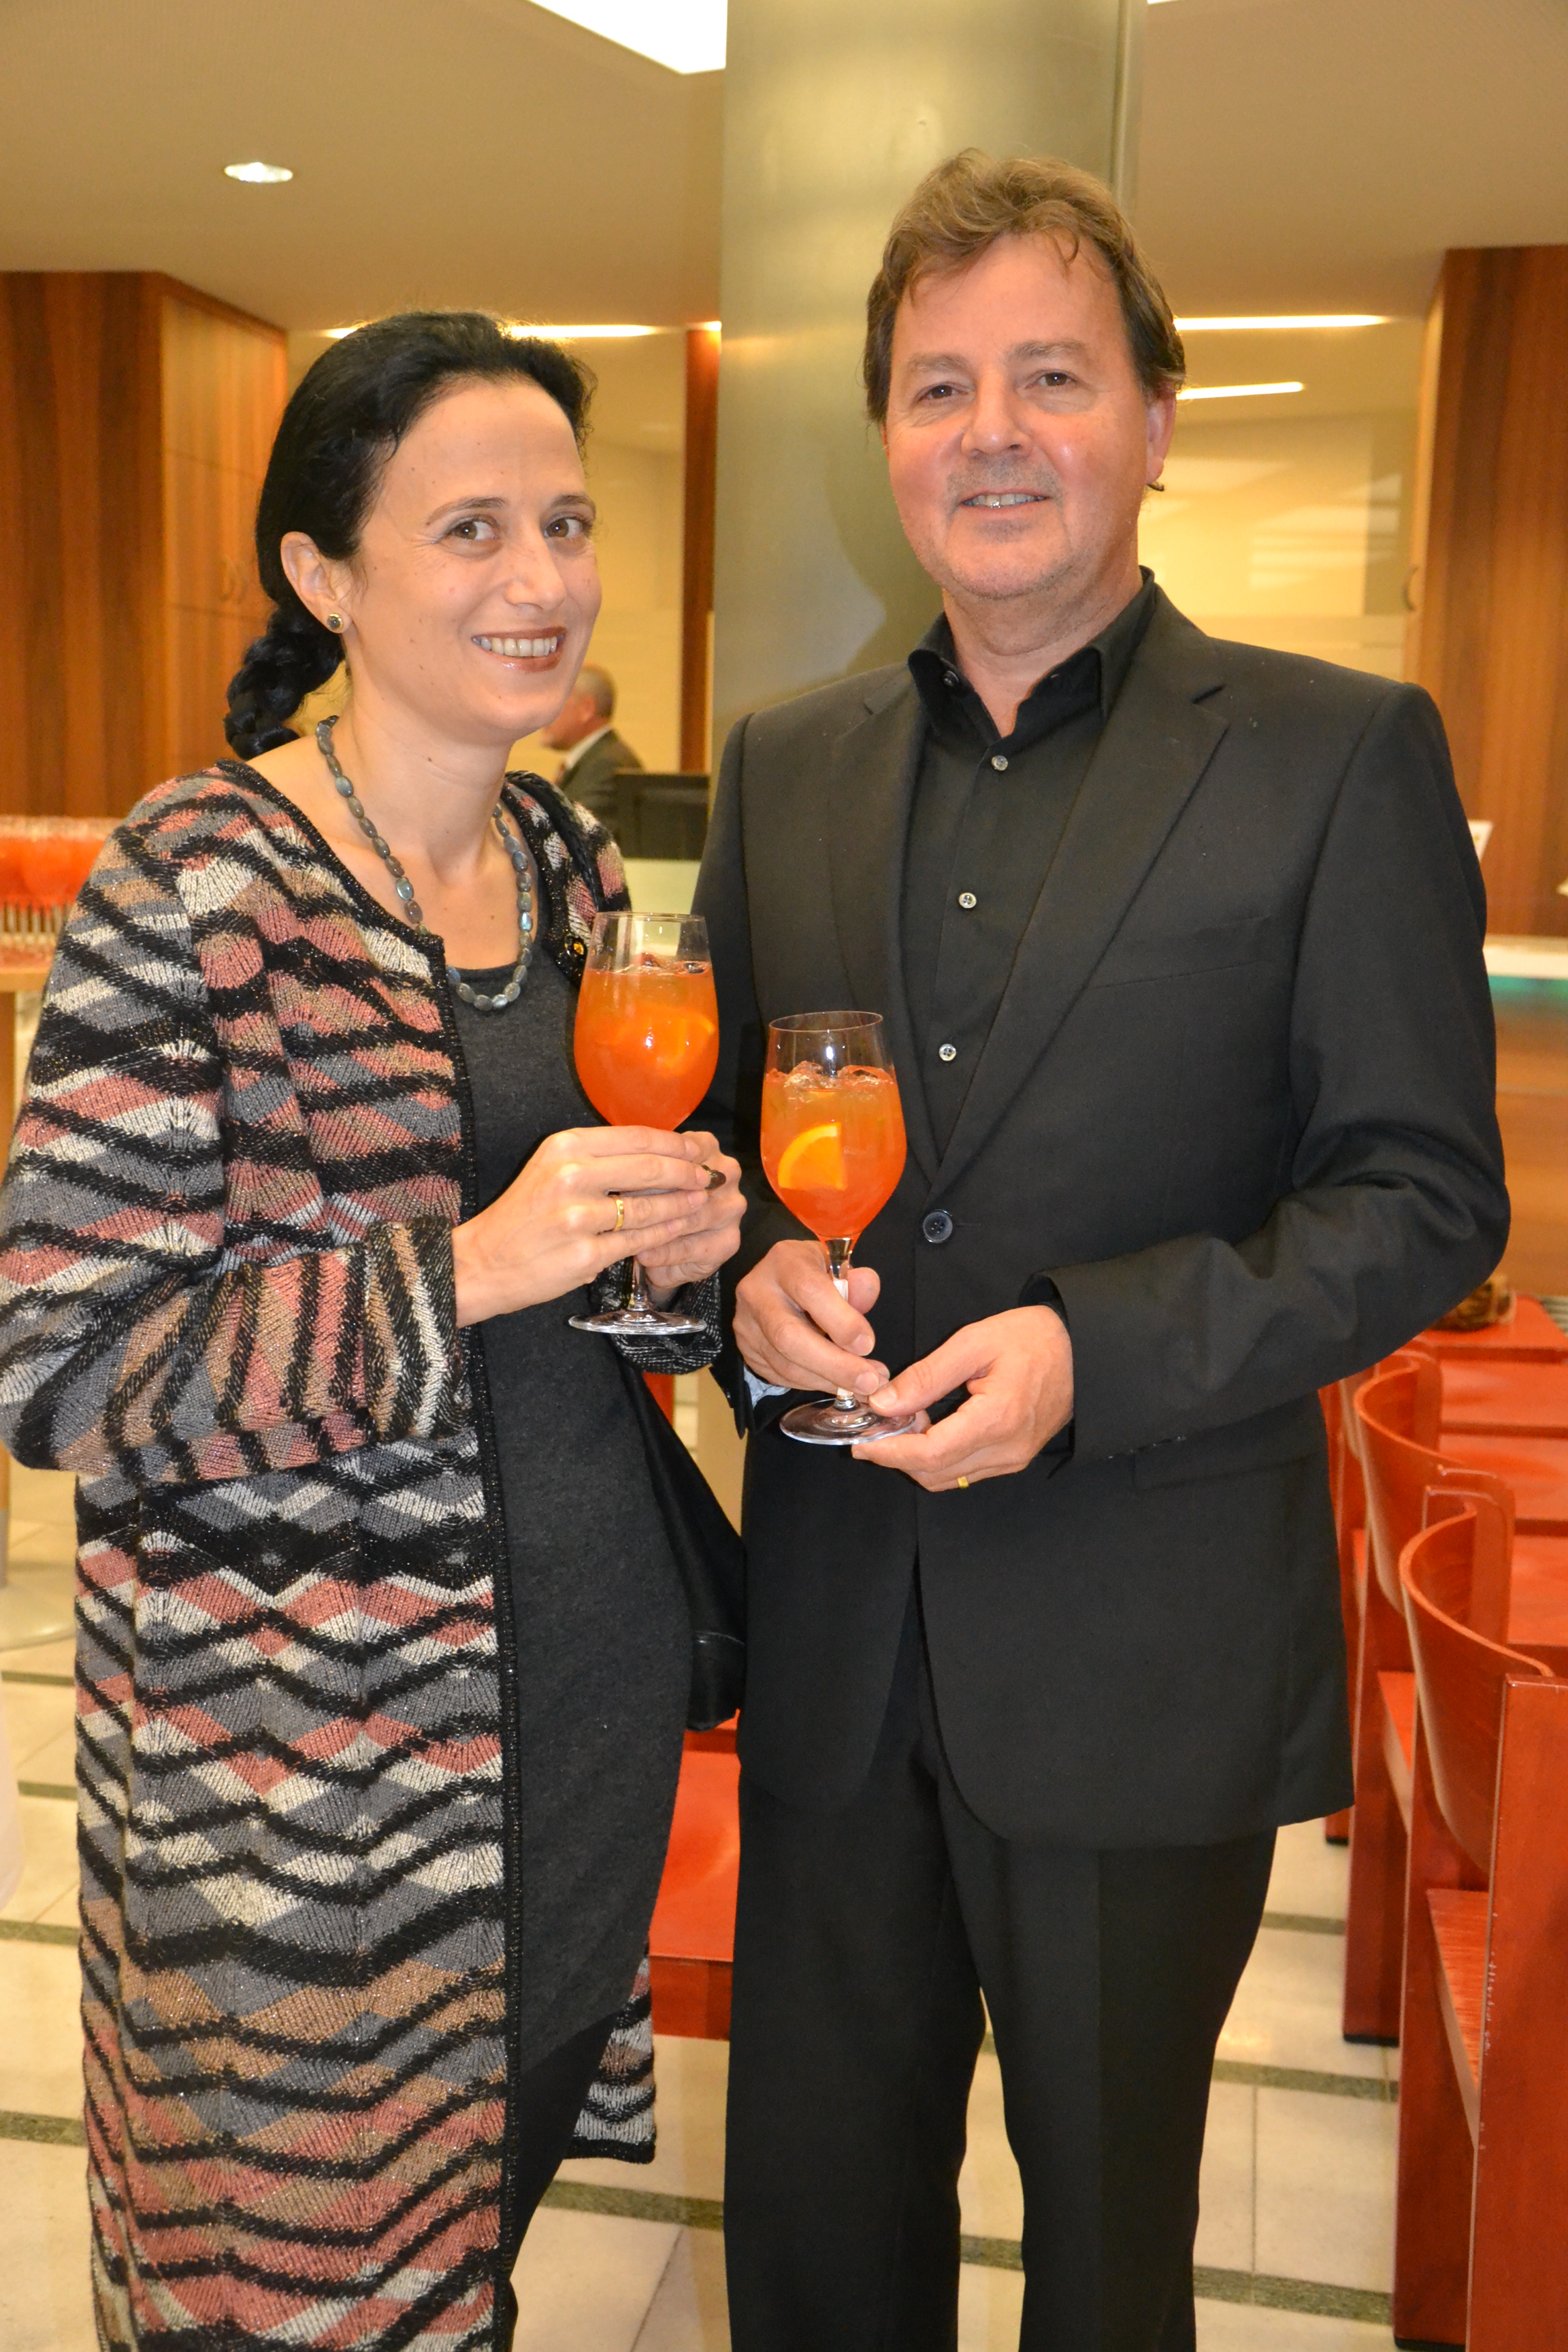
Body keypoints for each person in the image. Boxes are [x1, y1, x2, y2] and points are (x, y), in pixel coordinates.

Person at [695, 152, 1507, 2351]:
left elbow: (1425, 1194)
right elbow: (716, 1161)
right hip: (839, 1640)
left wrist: (1094, 1349)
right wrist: (743, 1278)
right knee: (816, 2242)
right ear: (884, 433)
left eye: (1050, 376)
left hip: (1142, 1650)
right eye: (937, 385)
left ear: (1156, 416)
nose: (992, 432)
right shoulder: (786, 769)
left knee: (1106, 2269)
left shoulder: (1335, 757)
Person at [0, 311, 743, 2352]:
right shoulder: (193, 881)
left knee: (472, 2252)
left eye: (567, 523)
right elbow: (69, 1369)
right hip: (299, 1807)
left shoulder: (571, 863)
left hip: (575, 1731)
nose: (542, 576)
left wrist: (677, 1259)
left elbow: (595, 1312)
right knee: (296, 2288)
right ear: (322, 574)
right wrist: (473, 1263)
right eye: (470, 528)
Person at [538, 662, 644, 826]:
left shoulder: (609, 766)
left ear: (586, 709)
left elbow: (572, 832)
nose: (543, 712)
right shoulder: (594, 761)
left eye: (554, 700)